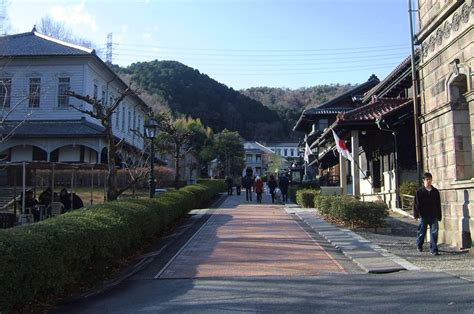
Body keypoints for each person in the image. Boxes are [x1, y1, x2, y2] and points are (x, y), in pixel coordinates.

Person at [413, 172, 442, 255]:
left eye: (430, 179)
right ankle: (419, 244)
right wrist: (416, 214)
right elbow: (416, 204)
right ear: (424, 180)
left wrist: (439, 215)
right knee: (422, 232)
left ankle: (433, 249)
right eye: (427, 179)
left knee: (434, 232)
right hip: (423, 215)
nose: (428, 181)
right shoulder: (419, 192)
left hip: (433, 215)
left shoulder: (435, 191)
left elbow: (438, 204)